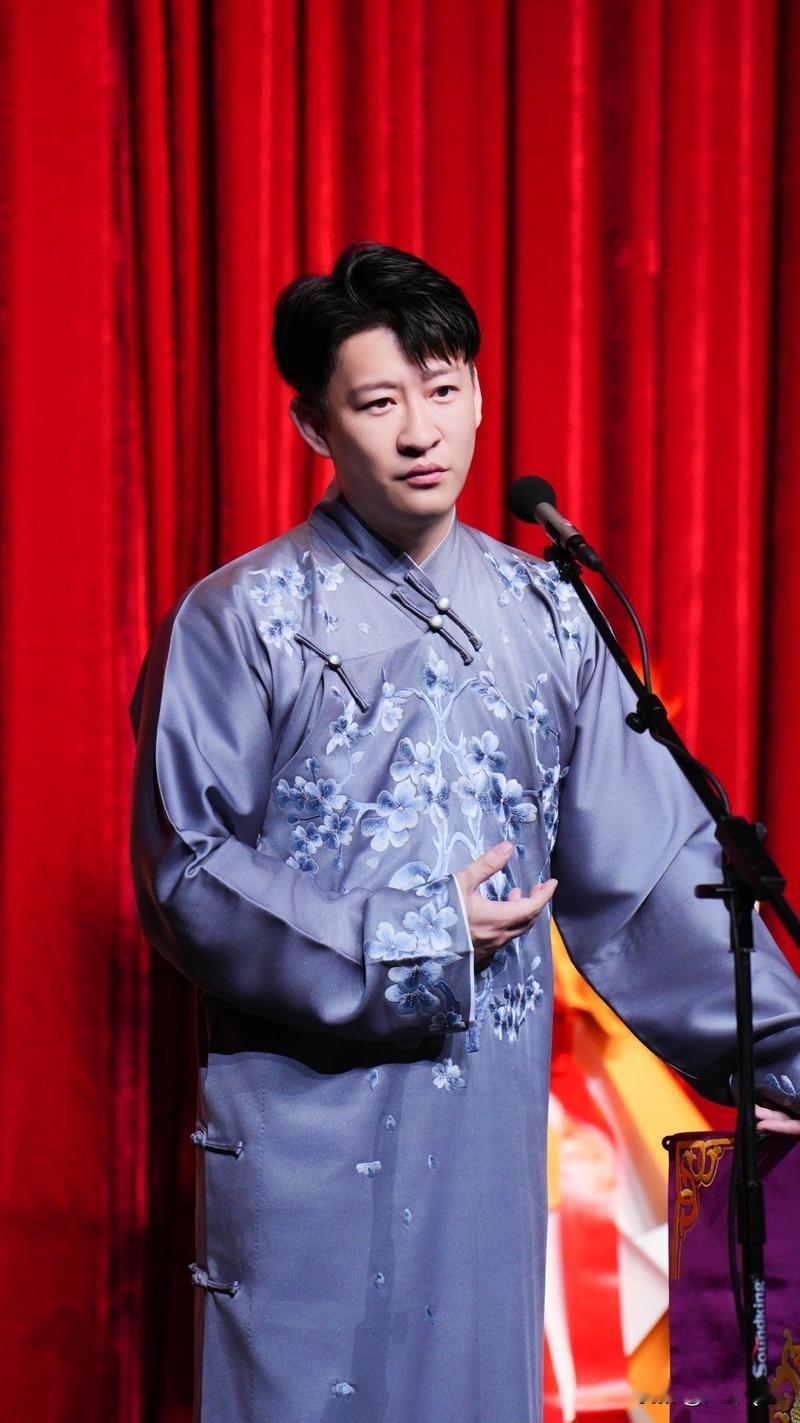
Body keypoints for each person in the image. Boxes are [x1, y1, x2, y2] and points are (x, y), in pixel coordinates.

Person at [129, 241, 800, 1423]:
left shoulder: (550, 611)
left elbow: (648, 878)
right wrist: (412, 930)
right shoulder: (240, 618)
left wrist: (788, 1055)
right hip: (308, 1121)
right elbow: (188, 869)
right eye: (376, 403)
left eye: (441, 389)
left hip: (483, 1114)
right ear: (312, 425)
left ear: (479, 394)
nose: (419, 431)